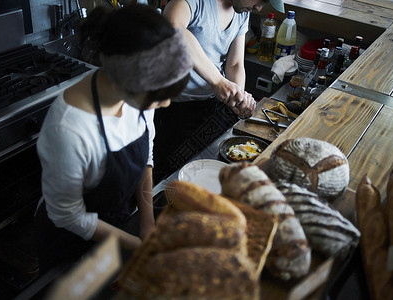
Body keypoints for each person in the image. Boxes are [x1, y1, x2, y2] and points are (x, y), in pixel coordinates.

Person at [34, 4, 192, 273]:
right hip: (71, 243)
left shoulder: (135, 94)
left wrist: (147, 223)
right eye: (158, 96)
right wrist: (134, 243)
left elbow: (146, 157)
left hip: (119, 221)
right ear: (125, 83)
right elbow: (68, 215)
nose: (164, 103)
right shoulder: (69, 129)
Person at [153, 0, 285, 183]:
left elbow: (235, 64)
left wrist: (239, 96)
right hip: (174, 108)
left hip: (212, 103)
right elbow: (174, 27)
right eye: (260, 0)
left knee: (215, 169)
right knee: (171, 176)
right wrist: (218, 81)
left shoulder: (241, 11)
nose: (259, 8)